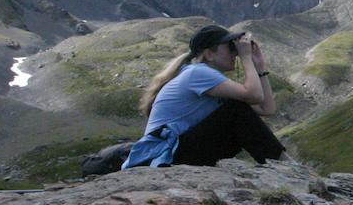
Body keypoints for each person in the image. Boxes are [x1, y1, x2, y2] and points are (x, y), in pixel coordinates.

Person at [121, 24, 288, 169]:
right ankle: (286, 167)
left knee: (236, 108)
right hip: (163, 156)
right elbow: (254, 96)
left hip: (175, 152)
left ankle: (283, 166)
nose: (234, 53)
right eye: (230, 47)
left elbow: (267, 108)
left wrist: (260, 68)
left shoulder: (209, 80)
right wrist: (246, 58)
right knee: (235, 109)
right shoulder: (198, 72)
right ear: (209, 54)